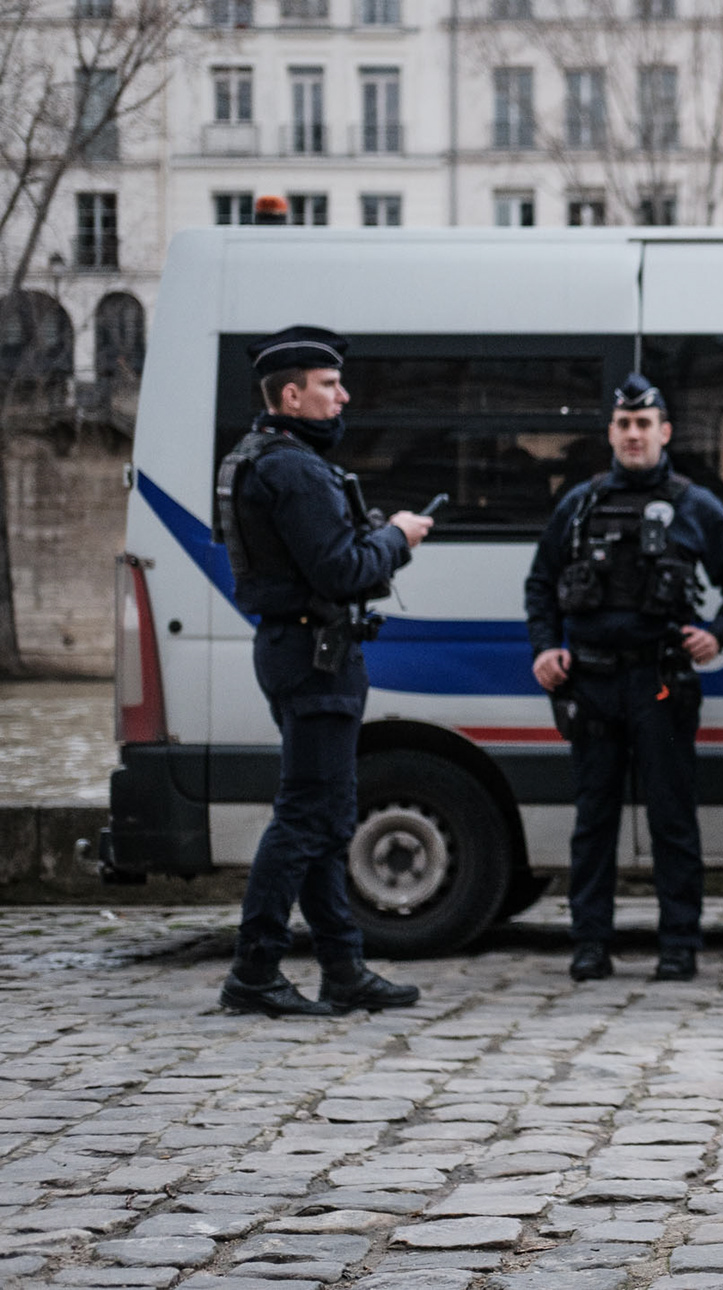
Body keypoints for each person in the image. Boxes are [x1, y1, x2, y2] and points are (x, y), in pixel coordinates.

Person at [215, 326, 432, 1017]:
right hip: (314, 658)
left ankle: (342, 968)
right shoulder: (293, 468)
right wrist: (397, 538)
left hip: (302, 651)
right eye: (329, 386)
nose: (344, 397)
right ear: (290, 394)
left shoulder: (266, 458)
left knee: (329, 817)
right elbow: (341, 570)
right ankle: (254, 971)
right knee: (307, 817)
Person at [525, 373, 723, 984]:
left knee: (672, 819)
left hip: (661, 685)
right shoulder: (579, 504)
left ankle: (679, 945)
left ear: (664, 432)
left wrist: (719, 634)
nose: (633, 435)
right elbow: (540, 584)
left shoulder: (694, 505)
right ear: (611, 432)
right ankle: (589, 944)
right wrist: (545, 647)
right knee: (594, 822)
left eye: (644, 424)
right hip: (593, 685)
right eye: (623, 425)